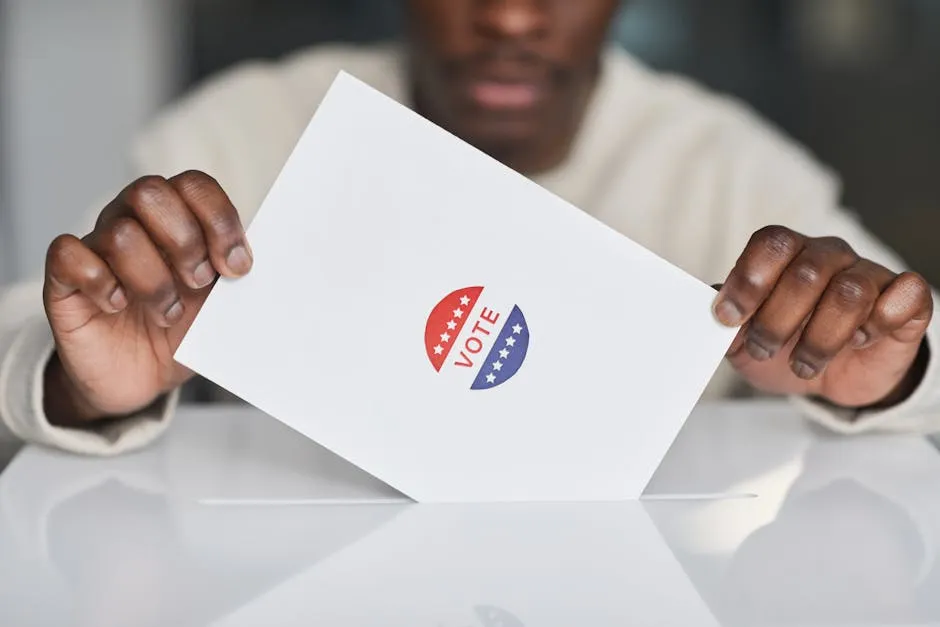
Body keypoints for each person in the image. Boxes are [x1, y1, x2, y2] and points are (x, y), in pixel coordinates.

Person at [0, 0, 938, 456]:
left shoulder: (728, 163)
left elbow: (915, 347)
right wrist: (83, 385)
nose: (510, 18)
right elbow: (25, 334)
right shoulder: (235, 132)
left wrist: (886, 373)